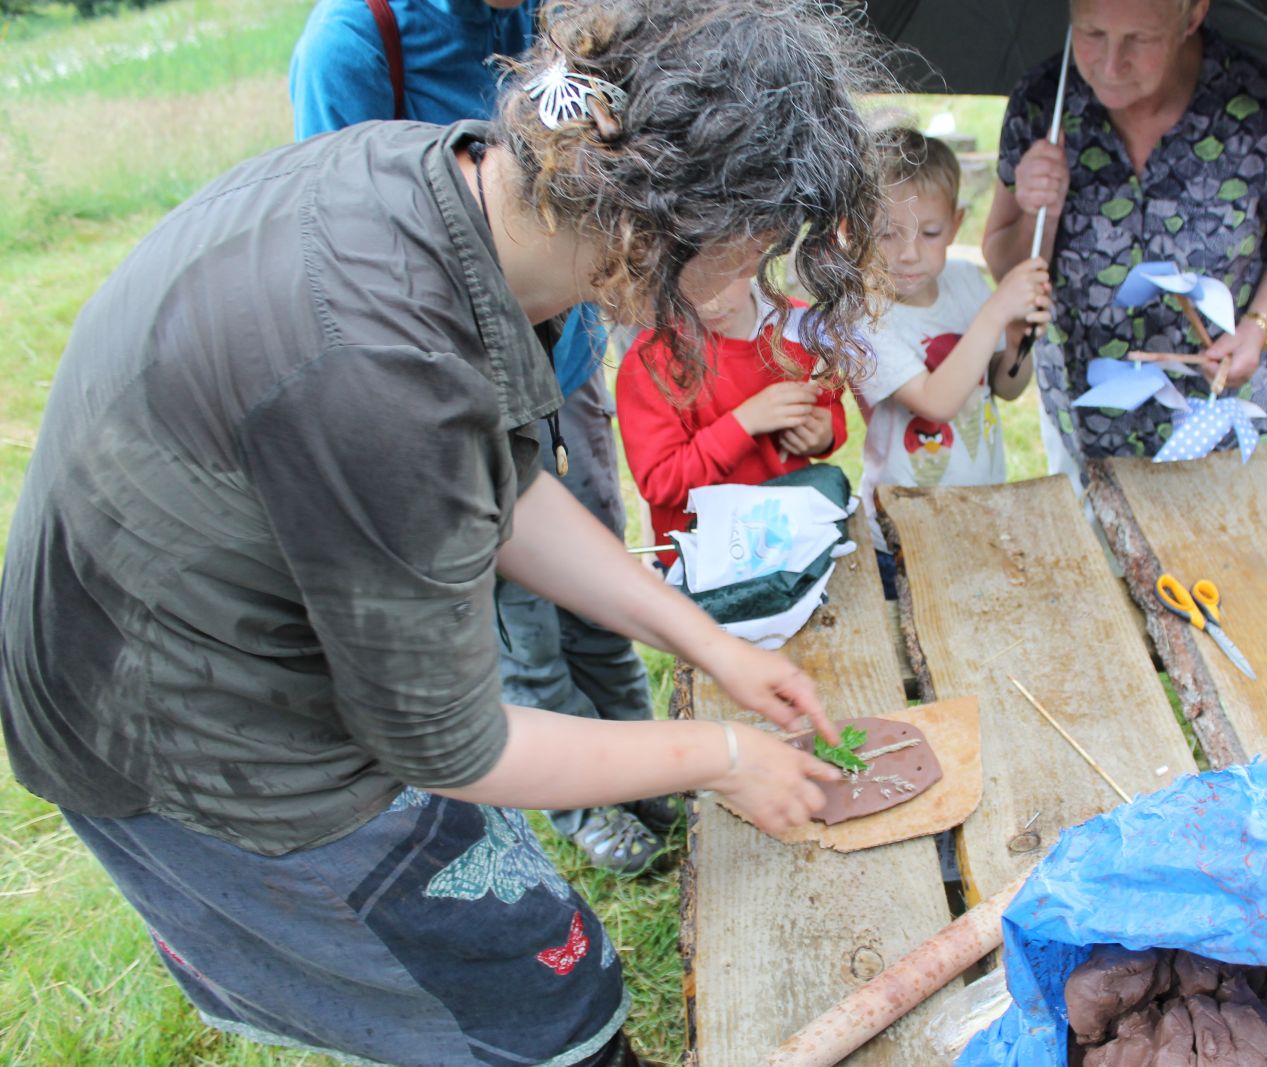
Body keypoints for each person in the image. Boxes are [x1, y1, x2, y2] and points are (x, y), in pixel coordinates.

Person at [0, 2, 881, 1064]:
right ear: (656, 235)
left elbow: (502, 483)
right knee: (532, 1001)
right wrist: (722, 753)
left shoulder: (452, 187)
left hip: (242, 625)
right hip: (177, 728)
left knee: (518, 942)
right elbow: (456, 743)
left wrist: (708, 641)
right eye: (752, 255)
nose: (751, 286)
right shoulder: (380, 368)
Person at [291, 0, 667, 873]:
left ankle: (641, 755)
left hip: (563, 366)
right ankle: (580, 798)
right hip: (458, 396)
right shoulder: (354, 44)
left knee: (597, 577)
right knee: (522, 621)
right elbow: (340, 243)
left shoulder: (551, 18)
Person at [985, 0, 1267, 466]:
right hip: (1091, 426)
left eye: (1139, 39)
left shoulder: (1263, 109)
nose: (1110, 64)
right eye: (1091, 33)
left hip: (1226, 427)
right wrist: (1034, 211)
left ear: (1192, 16)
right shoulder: (1043, 105)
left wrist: (1258, 329)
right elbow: (1009, 268)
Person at [856, 128, 1050, 596]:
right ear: (854, 230)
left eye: (930, 233)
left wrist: (1019, 339)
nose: (908, 252)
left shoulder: (965, 281)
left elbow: (1004, 386)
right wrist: (996, 313)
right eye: (886, 233)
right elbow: (934, 403)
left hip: (982, 505)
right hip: (905, 527)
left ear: (957, 225)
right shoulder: (864, 320)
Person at [616, 276, 848, 569]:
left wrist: (825, 434)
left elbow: (830, 402)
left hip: (792, 541)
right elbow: (660, 481)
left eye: (722, 276)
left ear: (754, 254)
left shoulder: (798, 327)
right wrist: (743, 423)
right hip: (704, 561)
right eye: (695, 278)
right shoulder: (651, 361)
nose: (712, 302)